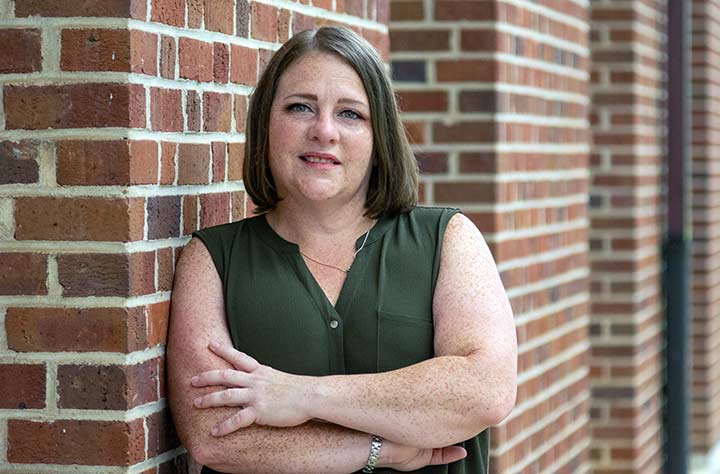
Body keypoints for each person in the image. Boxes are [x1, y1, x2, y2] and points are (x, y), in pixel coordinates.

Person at [167, 26, 517, 474]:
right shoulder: (215, 259)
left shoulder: (446, 239)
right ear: (265, 125)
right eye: (300, 108)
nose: (324, 131)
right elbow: (215, 439)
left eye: (351, 114)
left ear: (379, 137)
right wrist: (383, 448)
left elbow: (482, 390)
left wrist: (300, 395)